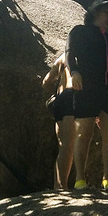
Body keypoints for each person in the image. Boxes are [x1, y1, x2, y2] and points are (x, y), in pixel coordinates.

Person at [67, 0, 108, 189]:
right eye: (106, 13)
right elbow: (70, 53)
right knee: (84, 132)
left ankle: (107, 178)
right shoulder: (80, 31)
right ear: (94, 12)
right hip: (87, 88)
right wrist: (74, 72)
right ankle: (79, 179)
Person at [42, 51, 76, 189]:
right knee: (68, 146)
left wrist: (55, 93)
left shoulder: (63, 56)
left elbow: (45, 82)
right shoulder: (82, 53)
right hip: (73, 98)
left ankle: (58, 185)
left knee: (63, 146)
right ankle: (62, 187)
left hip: (60, 101)